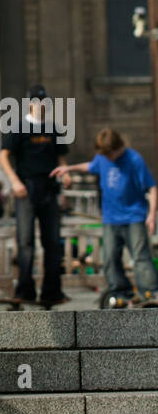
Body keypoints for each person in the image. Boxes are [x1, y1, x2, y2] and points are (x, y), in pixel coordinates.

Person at [52, 129, 158, 304]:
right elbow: (90, 166)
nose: (108, 158)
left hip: (134, 216)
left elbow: (152, 187)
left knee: (140, 256)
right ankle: (120, 291)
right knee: (109, 258)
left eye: (110, 154)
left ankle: (150, 291)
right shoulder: (102, 158)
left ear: (119, 148)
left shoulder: (134, 159)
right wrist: (68, 168)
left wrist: (151, 215)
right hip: (110, 218)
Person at [0, 84, 70, 308]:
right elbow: (4, 156)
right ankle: (25, 290)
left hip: (49, 188)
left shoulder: (53, 128)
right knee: (26, 241)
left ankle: (52, 291)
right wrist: (14, 181)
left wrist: (66, 175)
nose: (41, 105)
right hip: (26, 189)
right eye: (37, 101)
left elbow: (61, 157)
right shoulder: (19, 127)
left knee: (52, 242)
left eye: (44, 102)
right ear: (30, 103)